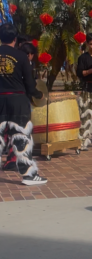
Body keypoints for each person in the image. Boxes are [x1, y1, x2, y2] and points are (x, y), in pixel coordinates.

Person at [0, 23, 47, 185]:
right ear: (15, 38)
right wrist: (39, 94)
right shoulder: (21, 57)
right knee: (21, 138)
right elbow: (29, 84)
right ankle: (28, 175)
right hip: (18, 101)